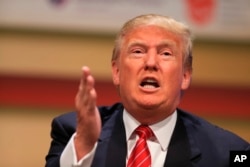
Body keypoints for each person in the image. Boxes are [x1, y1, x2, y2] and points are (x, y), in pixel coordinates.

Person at [45, 14, 250, 167]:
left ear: (185, 76)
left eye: (166, 53)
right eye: (138, 51)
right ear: (116, 71)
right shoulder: (72, 131)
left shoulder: (232, 152)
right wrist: (84, 146)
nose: (151, 62)